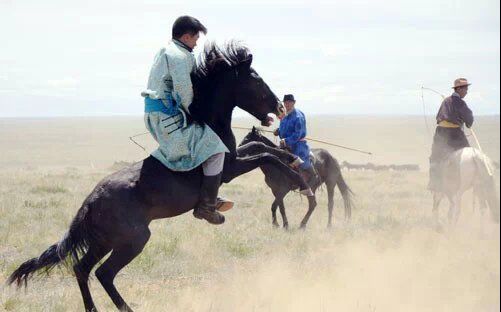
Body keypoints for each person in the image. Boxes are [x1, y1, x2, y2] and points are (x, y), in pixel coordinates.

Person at [141, 16, 233, 225]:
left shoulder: (165, 51)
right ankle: (207, 206)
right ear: (185, 36)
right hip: (168, 119)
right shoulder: (180, 56)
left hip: (158, 116)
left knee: (202, 143)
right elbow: (184, 92)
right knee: (216, 148)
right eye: (195, 38)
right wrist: (201, 112)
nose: (196, 43)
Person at [428, 78, 474, 192]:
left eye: (467, 89)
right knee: (470, 155)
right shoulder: (461, 103)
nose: (467, 91)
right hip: (455, 134)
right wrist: (467, 123)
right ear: (458, 89)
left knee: (435, 158)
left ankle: (434, 184)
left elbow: (438, 117)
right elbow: (469, 119)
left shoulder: (446, 101)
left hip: (441, 133)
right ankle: (473, 181)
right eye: (465, 89)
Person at [274, 94, 319, 187]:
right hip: (284, 144)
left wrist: (286, 141)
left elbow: (298, 134)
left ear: (294, 103)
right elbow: (285, 129)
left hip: (298, 144)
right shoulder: (284, 115)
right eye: (285, 102)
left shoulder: (298, 116)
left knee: (301, 161)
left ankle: (313, 177)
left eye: (289, 102)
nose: (287, 104)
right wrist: (278, 131)